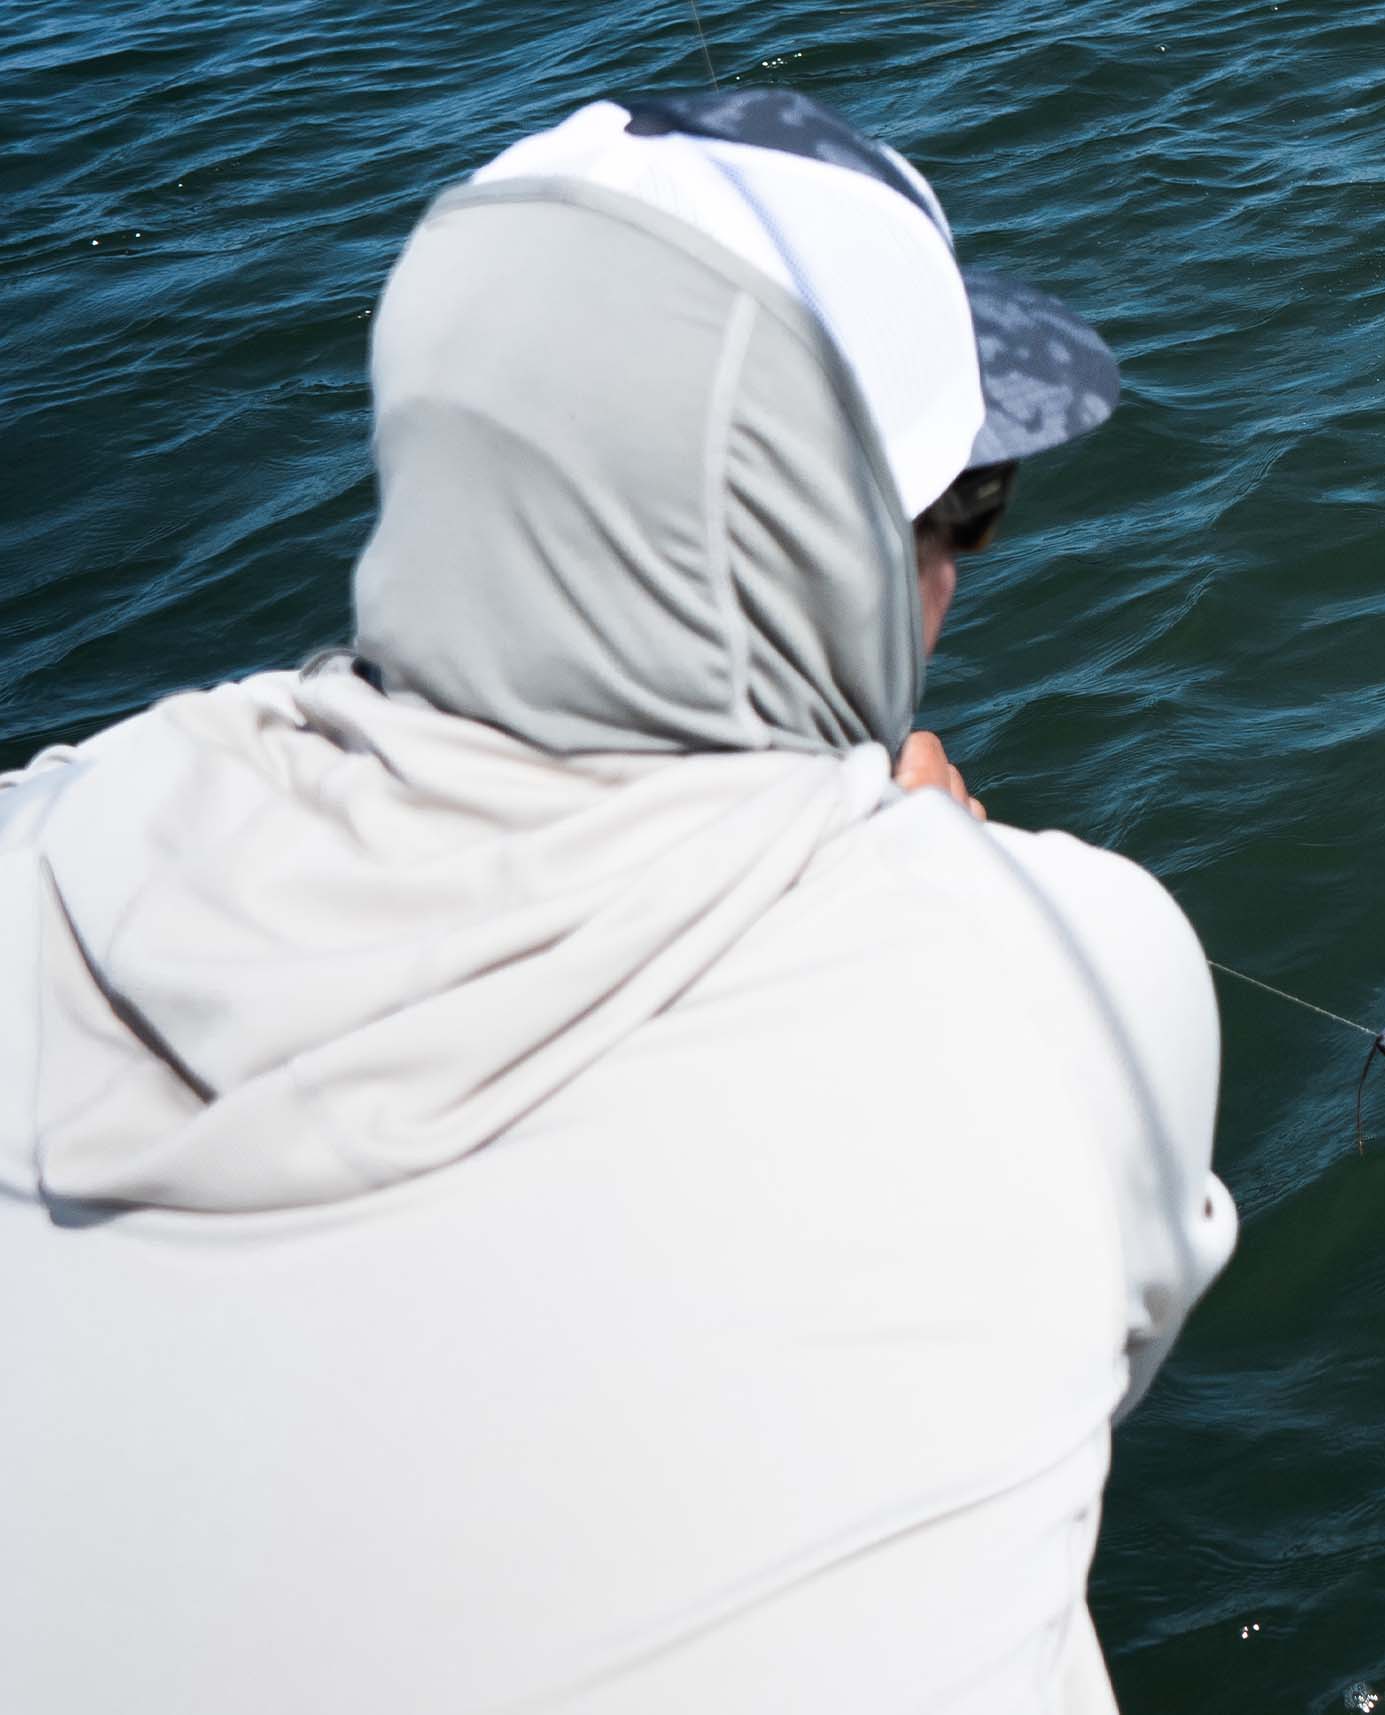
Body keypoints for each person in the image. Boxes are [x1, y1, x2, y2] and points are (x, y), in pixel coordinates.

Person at [0, 90, 1232, 1713]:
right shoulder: (1074, 956)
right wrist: (957, 883)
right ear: (837, 547)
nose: (961, 574)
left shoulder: (47, 839)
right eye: (961, 514)